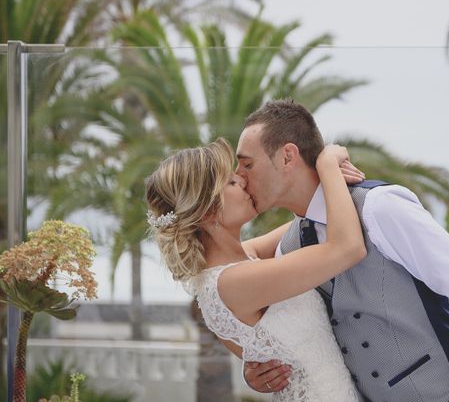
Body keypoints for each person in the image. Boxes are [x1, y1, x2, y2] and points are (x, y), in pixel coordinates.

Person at [235, 100, 449, 402]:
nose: (239, 177)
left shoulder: (379, 208)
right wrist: (257, 368)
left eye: (247, 164)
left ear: (288, 156)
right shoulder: (289, 247)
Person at [145, 137, 368, 401]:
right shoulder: (233, 282)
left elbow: (310, 220)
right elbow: (347, 248)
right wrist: (328, 162)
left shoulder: (238, 262)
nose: (242, 180)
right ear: (207, 212)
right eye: (230, 182)